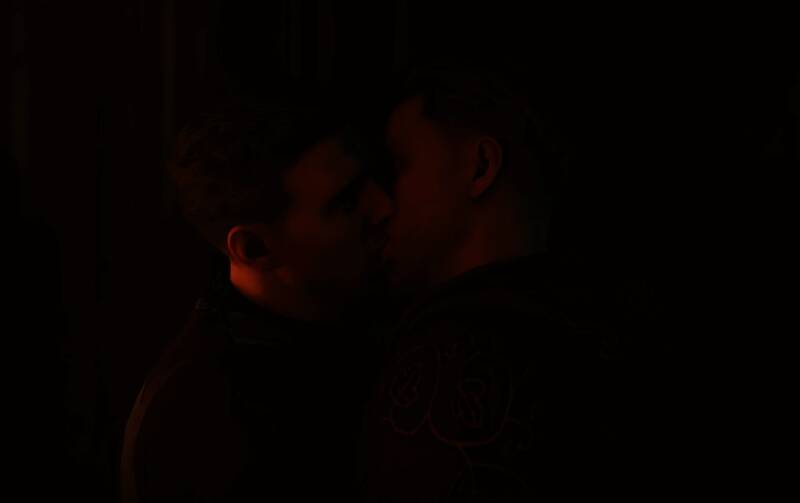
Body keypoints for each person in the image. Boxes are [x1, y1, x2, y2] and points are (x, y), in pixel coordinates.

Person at [357, 62, 621, 501]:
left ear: (480, 166)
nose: (378, 206)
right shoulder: (602, 331)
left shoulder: (444, 369)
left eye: (399, 167)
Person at [120, 94, 394, 502]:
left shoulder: (350, 326)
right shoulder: (205, 415)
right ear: (254, 248)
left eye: (374, 180)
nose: (385, 207)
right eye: (347, 202)